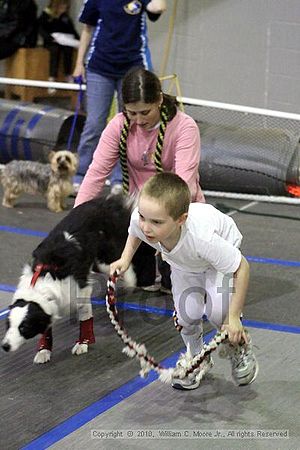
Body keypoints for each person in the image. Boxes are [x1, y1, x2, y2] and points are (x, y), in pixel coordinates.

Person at [110, 172, 259, 390]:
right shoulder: (142, 220)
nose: (146, 227)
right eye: (143, 217)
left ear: (181, 220)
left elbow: (242, 267)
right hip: (184, 263)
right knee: (187, 314)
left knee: (220, 313)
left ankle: (238, 345)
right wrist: (124, 259)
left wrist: (234, 317)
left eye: (156, 222)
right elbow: (135, 232)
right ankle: (197, 358)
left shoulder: (202, 239)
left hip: (216, 262)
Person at [74, 67, 205, 291]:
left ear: (160, 100)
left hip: (177, 212)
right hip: (139, 213)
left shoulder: (185, 127)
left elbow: (186, 185)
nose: (138, 120)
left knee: (172, 287)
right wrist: (76, 220)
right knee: (142, 284)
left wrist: (163, 228)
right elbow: (96, 173)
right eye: (131, 113)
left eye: (145, 112)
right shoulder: (117, 125)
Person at [73, 0, 167, 185]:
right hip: (99, 67)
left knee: (129, 125)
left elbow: (158, 7)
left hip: (132, 68)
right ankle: (81, 174)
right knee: (94, 124)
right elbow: (87, 30)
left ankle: (121, 178)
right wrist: (78, 64)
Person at [38, 0, 79, 93]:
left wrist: (79, 40)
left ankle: (68, 74)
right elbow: (41, 29)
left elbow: (72, 30)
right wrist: (50, 38)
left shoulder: (65, 17)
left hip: (64, 41)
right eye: (63, 6)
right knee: (55, 51)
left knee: (68, 50)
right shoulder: (46, 14)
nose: (64, 8)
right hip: (51, 41)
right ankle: (52, 78)